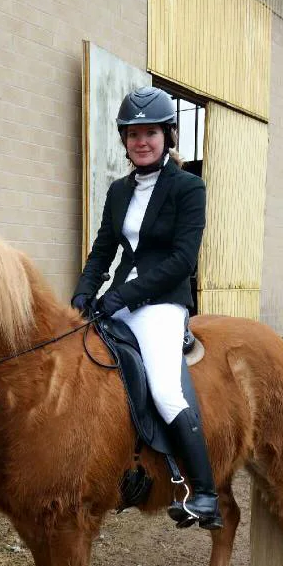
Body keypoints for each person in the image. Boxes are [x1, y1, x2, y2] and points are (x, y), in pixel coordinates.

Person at [71, 86, 221, 529]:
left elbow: (182, 260)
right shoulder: (119, 191)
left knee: (165, 389)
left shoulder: (188, 187)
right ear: (124, 139)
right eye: (133, 134)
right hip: (119, 299)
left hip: (161, 304)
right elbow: (102, 251)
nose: (142, 141)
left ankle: (206, 492)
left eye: (150, 132)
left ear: (168, 136)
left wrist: (122, 297)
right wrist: (84, 291)